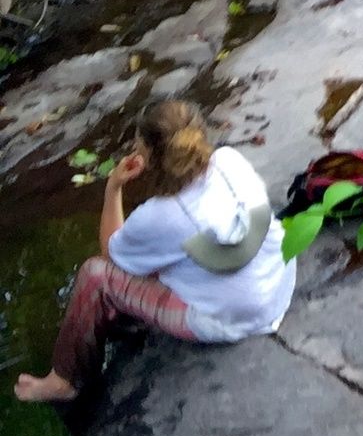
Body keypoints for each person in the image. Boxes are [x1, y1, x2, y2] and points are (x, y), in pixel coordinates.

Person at [15, 99, 295, 404]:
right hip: (276, 280)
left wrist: (113, 188)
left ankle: (63, 381)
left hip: (236, 316)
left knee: (95, 275)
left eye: (139, 143)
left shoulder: (161, 215)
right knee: (162, 257)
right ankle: (125, 325)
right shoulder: (229, 160)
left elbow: (112, 255)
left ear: (149, 154)